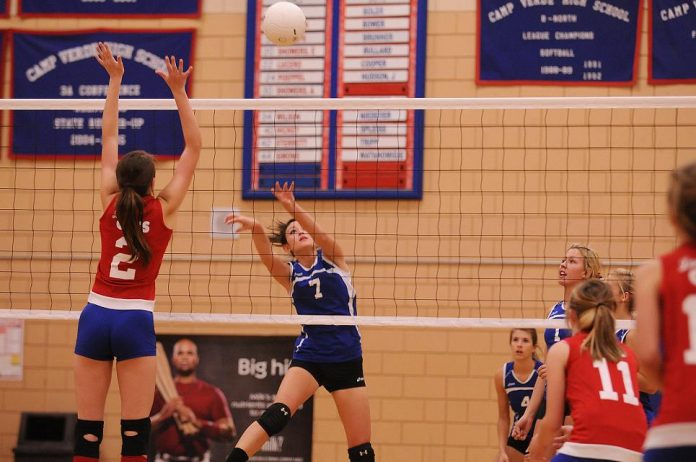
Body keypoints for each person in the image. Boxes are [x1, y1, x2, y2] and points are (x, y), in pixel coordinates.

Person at [72, 42, 201, 462]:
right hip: (134, 321)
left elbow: (109, 133)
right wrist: (179, 91)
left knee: (87, 434)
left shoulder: (110, 200)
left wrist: (114, 79)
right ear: (150, 183)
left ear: (123, 178)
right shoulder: (162, 209)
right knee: (135, 435)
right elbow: (193, 149)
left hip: (94, 316)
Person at [223, 181, 374, 462]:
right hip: (310, 356)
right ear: (286, 246)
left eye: (303, 229)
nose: (301, 232)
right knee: (278, 414)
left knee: (361, 448)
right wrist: (256, 227)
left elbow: (317, 232)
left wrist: (291, 207)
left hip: (346, 357)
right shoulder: (290, 274)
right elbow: (267, 259)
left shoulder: (333, 258)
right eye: (293, 231)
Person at [528, 279, 647, 462]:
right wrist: (576, 431)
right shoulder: (626, 353)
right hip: (637, 448)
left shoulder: (563, 350)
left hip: (592, 444)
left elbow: (552, 422)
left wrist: (538, 447)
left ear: (571, 316)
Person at [635, 161, 696, 461]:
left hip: (675, 426)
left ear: (673, 216)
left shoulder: (652, 274)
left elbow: (647, 355)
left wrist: (674, 385)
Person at [513, 244, 602, 441]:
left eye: (571, 261)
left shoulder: (592, 312)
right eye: (563, 260)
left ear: (586, 272)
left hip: (578, 398)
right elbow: (544, 368)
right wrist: (528, 414)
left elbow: (595, 363)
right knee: (535, 454)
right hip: (551, 396)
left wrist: (560, 371)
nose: (563, 265)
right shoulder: (555, 310)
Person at [151, 339, 236, 462]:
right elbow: (142, 429)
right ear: (173, 358)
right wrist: (162, 416)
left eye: (189, 353)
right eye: (180, 353)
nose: (184, 357)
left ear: (197, 358)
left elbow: (229, 433)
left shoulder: (212, 393)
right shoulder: (159, 393)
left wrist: (197, 423)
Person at [605, 268, 660, 425]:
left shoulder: (632, 333)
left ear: (624, 296)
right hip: (611, 413)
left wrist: (608, 370)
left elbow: (650, 385)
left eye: (608, 287)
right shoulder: (604, 330)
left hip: (635, 415)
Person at [494, 329, 543, 462]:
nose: (519, 344)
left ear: (534, 348)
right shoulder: (502, 375)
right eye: (515, 340)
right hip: (519, 436)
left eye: (525, 340)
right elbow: (503, 418)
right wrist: (502, 450)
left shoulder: (543, 372)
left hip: (542, 436)